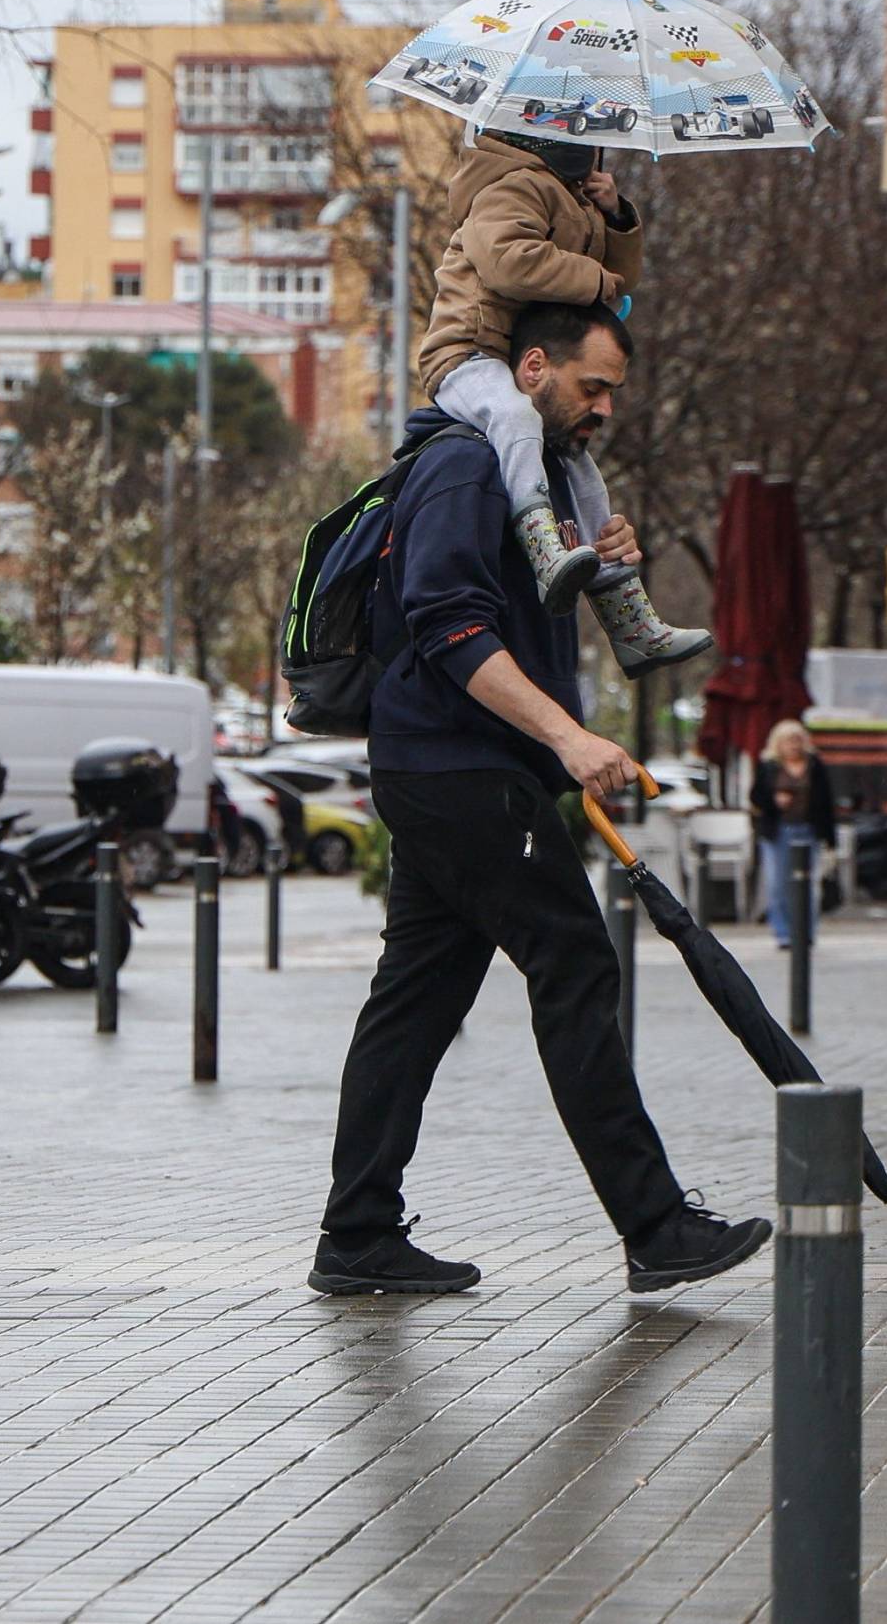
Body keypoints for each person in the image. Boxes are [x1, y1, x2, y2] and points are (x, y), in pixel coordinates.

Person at [310, 301, 771, 1298]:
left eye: (612, 392)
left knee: (417, 998)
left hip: (456, 768)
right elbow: (448, 624)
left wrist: (600, 561)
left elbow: (517, 608)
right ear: (530, 369)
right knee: (571, 958)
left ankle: (356, 1234)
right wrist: (566, 734)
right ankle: (653, 1225)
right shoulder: (464, 466)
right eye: (590, 386)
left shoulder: (537, 479)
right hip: (458, 768)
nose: (602, 408)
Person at [417, 125, 712, 678]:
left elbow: (621, 281)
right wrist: (598, 278)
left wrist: (616, 215)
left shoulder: (571, 197)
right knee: (515, 415)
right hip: (468, 352)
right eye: (575, 123)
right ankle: (545, 550)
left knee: (583, 472)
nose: (586, 136)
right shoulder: (507, 186)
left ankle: (630, 620)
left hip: (514, 356)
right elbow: (511, 262)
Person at [749, 720, 837, 950]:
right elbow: (756, 797)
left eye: (797, 740)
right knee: (778, 884)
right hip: (777, 831)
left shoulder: (814, 765)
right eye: (789, 740)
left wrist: (830, 838)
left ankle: (806, 932)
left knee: (806, 884)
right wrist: (774, 800)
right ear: (778, 743)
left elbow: (826, 802)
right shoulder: (769, 766)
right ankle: (783, 933)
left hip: (808, 829)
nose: (794, 745)